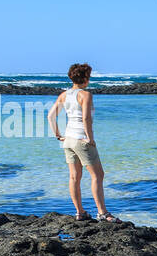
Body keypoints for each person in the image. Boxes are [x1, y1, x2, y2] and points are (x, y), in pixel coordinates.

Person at [47, 62, 117, 221]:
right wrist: (90, 138)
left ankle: (80, 212)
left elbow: (50, 116)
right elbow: (86, 118)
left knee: (74, 177)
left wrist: (58, 135)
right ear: (85, 78)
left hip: (68, 140)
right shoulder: (85, 95)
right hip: (81, 139)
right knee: (98, 175)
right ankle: (102, 212)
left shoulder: (64, 95)